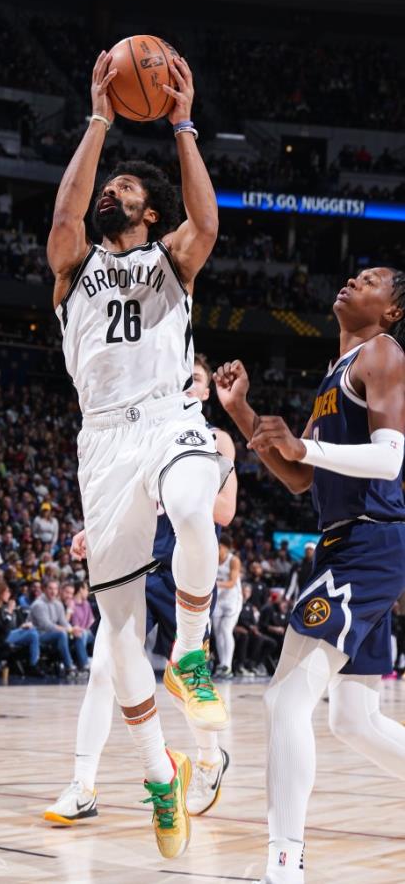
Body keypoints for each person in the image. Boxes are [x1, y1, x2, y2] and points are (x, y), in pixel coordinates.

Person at [48, 48, 227, 858]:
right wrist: (98, 117)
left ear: (151, 213)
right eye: (109, 187)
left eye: (128, 187)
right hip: (103, 439)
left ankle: (190, 654)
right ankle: (159, 775)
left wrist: (182, 124)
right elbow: (62, 218)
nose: (114, 191)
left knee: (194, 503)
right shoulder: (75, 268)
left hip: (166, 415)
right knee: (116, 632)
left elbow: (209, 221)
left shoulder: (172, 261)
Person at [214, 266, 405, 884]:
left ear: (391, 310)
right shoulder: (334, 374)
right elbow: (302, 478)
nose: (352, 278)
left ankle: (284, 862)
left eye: (371, 278)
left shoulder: (382, 353)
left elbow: (389, 458)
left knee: (285, 698)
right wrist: (243, 413)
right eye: (353, 273)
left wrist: (305, 447)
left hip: (368, 543)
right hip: (351, 545)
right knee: (352, 718)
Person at [44, 355, 237, 824]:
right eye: (177, 378)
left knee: (186, 682)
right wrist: (99, 530)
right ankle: (82, 784)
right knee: (103, 670)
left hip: (182, 568)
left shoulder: (215, 439)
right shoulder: (138, 437)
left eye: (193, 381)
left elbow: (225, 513)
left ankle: (210, 761)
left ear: (207, 392)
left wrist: (180, 487)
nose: (184, 386)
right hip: (139, 562)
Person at [0, 582, 43, 676]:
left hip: (7, 634)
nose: (9, 594)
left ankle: (34, 663)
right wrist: (9, 611)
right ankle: (33, 665)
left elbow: (6, 627)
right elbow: (2, 630)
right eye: (7, 592)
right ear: (0, 593)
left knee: (32, 631)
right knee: (33, 634)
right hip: (1, 638)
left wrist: (20, 627)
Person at [29, 579, 80, 676]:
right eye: (50, 589)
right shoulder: (38, 604)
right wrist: (69, 630)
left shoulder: (58, 604)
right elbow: (47, 626)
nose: (53, 591)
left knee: (79, 634)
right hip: (37, 634)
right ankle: (69, 666)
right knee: (62, 634)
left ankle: (82, 665)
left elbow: (64, 622)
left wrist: (72, 629)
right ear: (44, 589)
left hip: (50, 634)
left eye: (55, 589)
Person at [211, 534, 242, 679]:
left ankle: (228, 666)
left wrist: (214, 585)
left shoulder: (233, 560)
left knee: (225, 629)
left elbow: (231, 582)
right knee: (217, 632)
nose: (217, 549)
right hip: (218, 599)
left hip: (232, 600)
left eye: (219, 547)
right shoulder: (212, 559)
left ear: (225, 547)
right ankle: (221, 664)